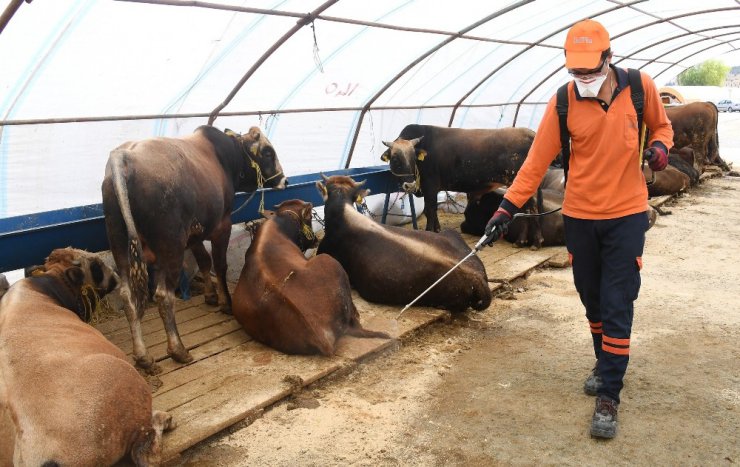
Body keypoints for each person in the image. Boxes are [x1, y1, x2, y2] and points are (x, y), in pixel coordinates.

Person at [484, 19, 673, 439]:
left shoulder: (640, 88)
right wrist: (505, 209)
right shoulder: (563, 102)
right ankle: (603, 360)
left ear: (609, 57)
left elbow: (663, 127)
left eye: (590, 70)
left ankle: (609, 394)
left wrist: (659, 147)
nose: (584, 78)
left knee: (617, 301)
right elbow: (535, 163)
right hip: (580, 217)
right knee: (592, 301)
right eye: (576, 71)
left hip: (626, 215)